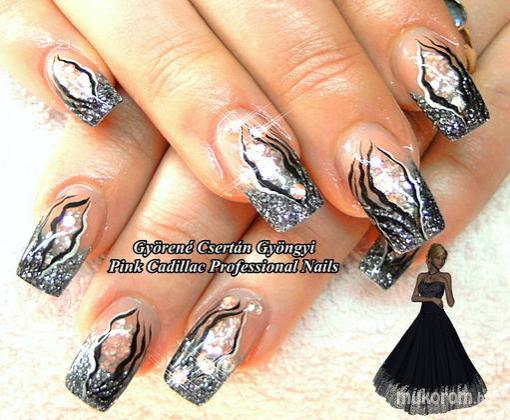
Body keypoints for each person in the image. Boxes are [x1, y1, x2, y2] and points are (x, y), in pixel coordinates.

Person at [373, 244, 487, 415]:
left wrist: (446, 288)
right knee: (416, 355)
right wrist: (432, 299)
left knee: (443, 357)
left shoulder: (445, 276)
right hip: (423, 318)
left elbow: (451, 303)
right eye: (438, 258)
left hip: (439, 319)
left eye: (443, 259)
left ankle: (438, 395)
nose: (441, 261)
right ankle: (421, 393)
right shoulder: (422, 276)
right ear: (431, 259)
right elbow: (414, 297)